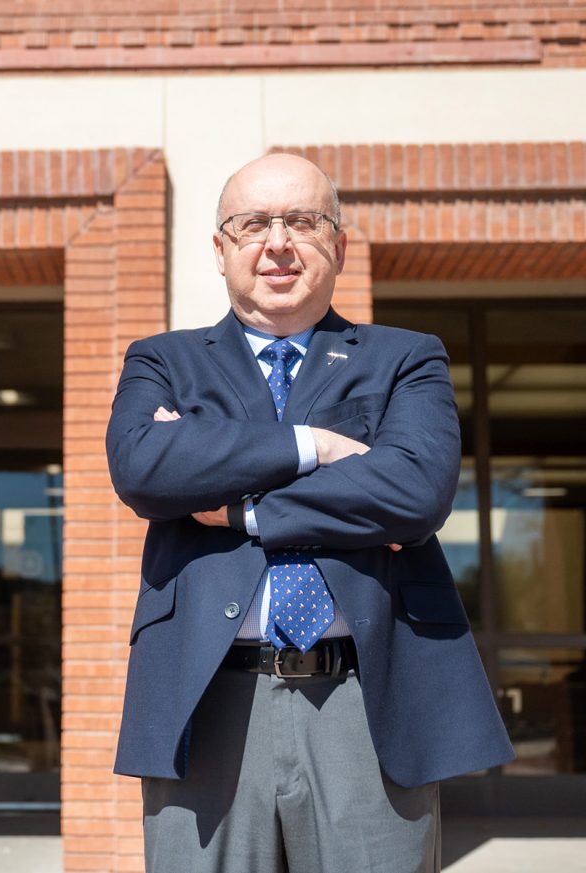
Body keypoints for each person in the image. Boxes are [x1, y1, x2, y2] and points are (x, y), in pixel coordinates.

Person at [105, 153, 514, 873]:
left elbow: (414, 491)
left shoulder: (405, 359)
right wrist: (314, 445)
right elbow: (145, 467)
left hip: (368, 693)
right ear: (221, 248)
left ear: (340, 245)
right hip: (206, 697)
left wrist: (241, 512)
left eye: (302, 220)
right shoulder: (163, 361)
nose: (278, 242)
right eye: (253, 223)